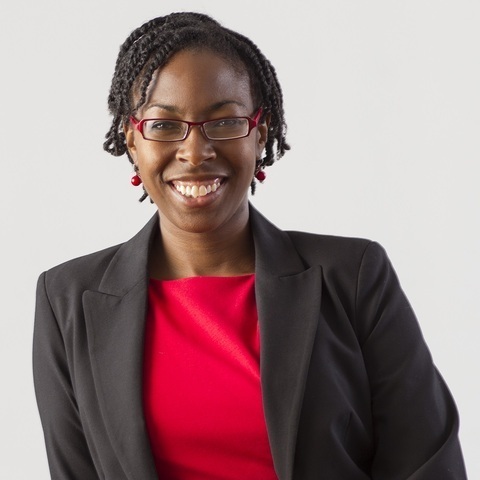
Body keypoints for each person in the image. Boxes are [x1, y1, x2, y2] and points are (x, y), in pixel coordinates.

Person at [33, 12, 467, 480]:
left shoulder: (355, 278)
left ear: (260, 133)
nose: (195, 153)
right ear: (132, 140)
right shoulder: (67, 300)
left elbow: (428, 463)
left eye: (225, 122)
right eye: (164, 124)